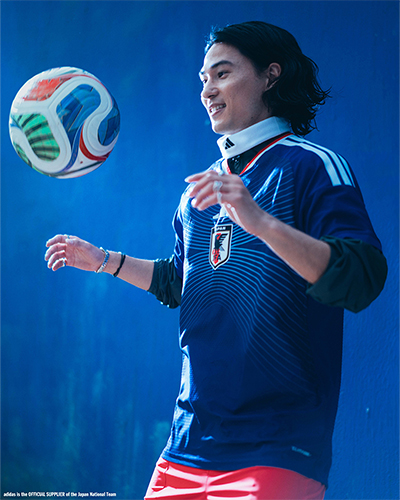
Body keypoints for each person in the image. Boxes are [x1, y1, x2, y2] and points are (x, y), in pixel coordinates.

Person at [45, 21, 387, 500]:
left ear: (270, 76)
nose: (207, 90)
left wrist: (259, 220)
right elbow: (182, 283)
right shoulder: (201, 189)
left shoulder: (312, 165)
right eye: (204, 79)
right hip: (186, 446)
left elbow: (361, 278)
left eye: (222, 74)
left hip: (277, 447)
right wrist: (104, 260)